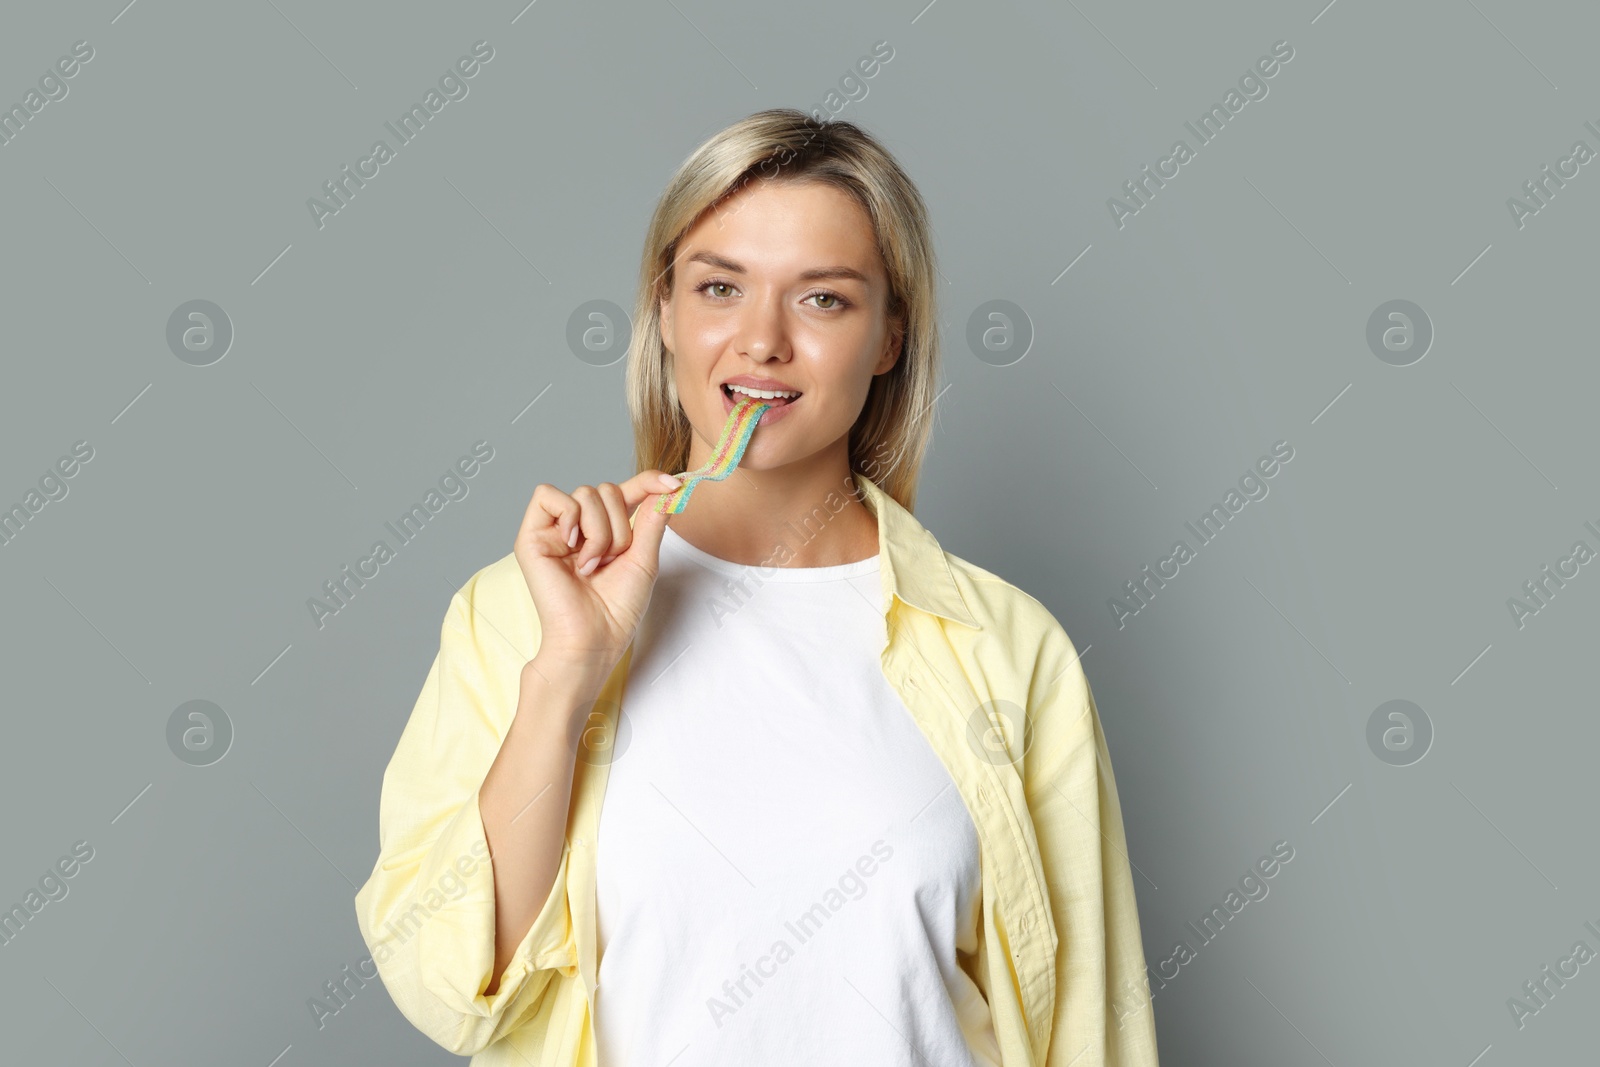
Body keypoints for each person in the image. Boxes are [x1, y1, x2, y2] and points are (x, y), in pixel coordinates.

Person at [354, 108, 1160, 1066]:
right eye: (720, 287)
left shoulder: (1010, 647)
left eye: (823, 299)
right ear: (665, 311)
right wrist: (567, 670)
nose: (762, 342)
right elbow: (454, 989)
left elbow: (1091, 1028)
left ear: (891, 336)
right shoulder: (517, 615)